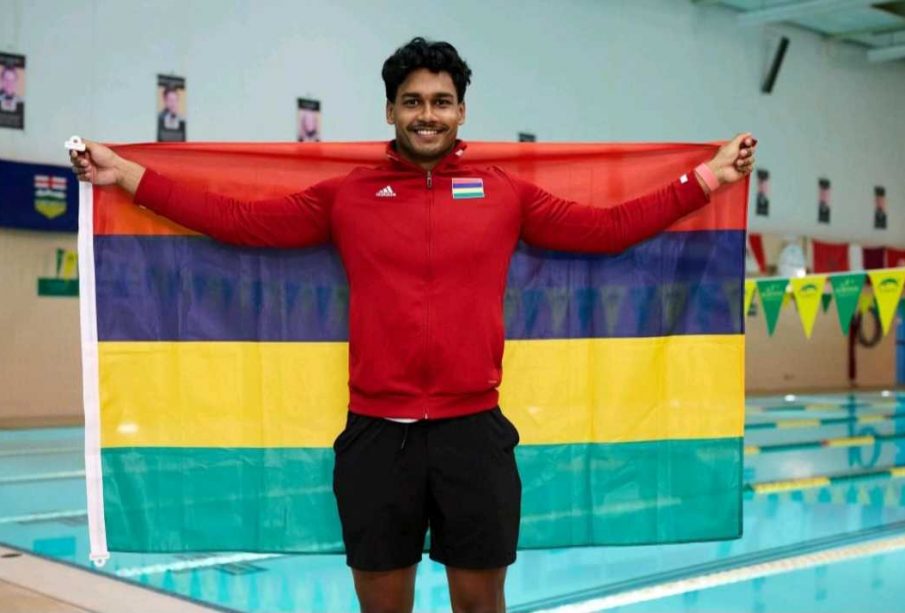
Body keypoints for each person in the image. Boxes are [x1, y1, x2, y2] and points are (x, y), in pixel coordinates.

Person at [71, 37, 756, 613]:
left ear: (461, 111)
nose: (426, 115)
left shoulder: (501, 192)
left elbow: (606, 230)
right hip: (375, 437)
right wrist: (129, 174)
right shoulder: (349, 195)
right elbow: (240, 222)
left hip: (474, 434)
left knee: (481, 605)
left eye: (440, 101)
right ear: (390, 110)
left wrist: (705, 179)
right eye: (412, 102)